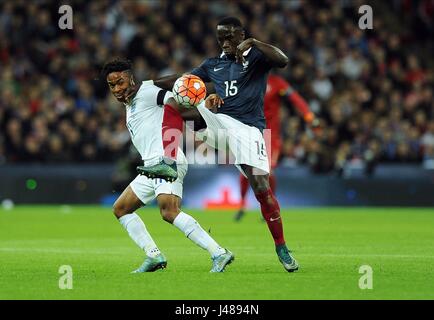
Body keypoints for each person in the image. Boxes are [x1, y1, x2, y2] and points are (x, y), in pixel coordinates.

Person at [151, 17, 299, 272]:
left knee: (261, 187)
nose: (226, 42)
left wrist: (254, 43)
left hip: (249, 130)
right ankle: (168, 159)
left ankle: (281, 246)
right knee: (174, 101)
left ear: (242, 35)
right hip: (219, 123)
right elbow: (182, 80)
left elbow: (283, 60)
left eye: (231, 36)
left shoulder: (256, 59)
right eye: (221, 38)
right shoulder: (213, 64)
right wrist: (148, 85)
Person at [101, 58, 234, 273]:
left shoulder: (146, 92)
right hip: (151, 167)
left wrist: (205, 102)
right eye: (112, 85)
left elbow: (176, 99)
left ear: (131, 79)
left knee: (169, 211)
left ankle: (218, 252)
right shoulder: (130, 104)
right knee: (121, 209)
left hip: (166, 161)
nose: (117, 88)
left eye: (121, 82)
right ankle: (154, 256)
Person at [234, 73, 318, 221]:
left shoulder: (277, 83)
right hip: (250, 133)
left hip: (269, 135)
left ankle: (270, 203)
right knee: (245, 170)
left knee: (268, 171)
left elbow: (295, 98)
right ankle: (242, 205)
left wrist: (308, 115)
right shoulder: (248, 81)